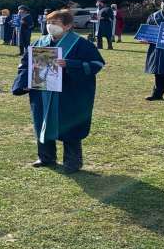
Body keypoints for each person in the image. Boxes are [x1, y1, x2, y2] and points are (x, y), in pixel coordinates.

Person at [12, 9, 105, 173]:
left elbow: (97, 64)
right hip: (42, 92)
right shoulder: (39, 43)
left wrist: (71, 64)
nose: (50, 26)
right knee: (42, 123)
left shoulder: (81, 44)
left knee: (69, 126)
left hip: (69, 93)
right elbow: (25, 65)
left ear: (68, 26)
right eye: (48, 22)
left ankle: (72, 162)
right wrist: (24, 83)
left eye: (55, 23)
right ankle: (46, 157)